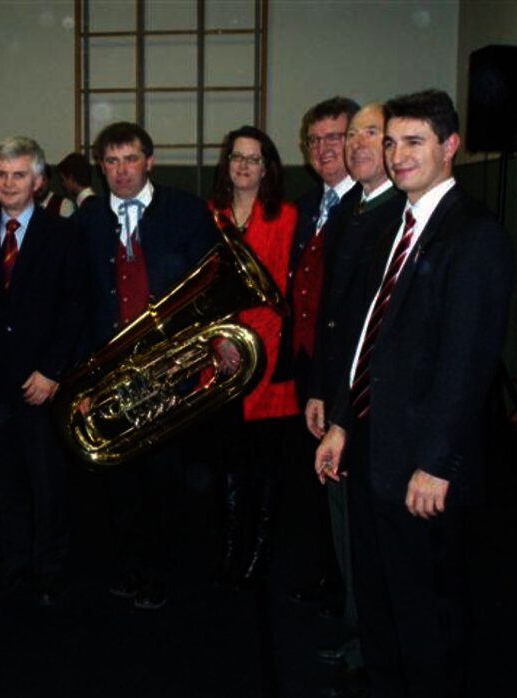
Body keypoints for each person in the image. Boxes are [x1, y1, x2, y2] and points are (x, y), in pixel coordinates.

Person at [315, 89, 513, 698]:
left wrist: (436, 464)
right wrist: (344, 424)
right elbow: (366, 340)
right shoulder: (390, 227)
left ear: (450, 147)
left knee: (428, 612)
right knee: (378, 601)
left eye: (415, 142)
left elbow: (467, 364)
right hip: (373, 445)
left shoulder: (473, 235)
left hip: (423, 462)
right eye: (392, 141)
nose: (398, 155)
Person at [74, 121, 220, 609]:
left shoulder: (186, 211)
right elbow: (79, 304)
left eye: (130, 159)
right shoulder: (88, 221)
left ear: (150, 161)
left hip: (170, 371)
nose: (120, 170)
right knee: (121, 483)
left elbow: (210, 289)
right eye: (111, 161)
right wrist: (88, 378)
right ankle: (131, 565)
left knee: (166, 479)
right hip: (111, 372)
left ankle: (165, 570)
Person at [0, 136, 85, 607]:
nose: (8, 184)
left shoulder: (63, 234)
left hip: (42, 385)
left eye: (17, 175)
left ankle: (49, 567)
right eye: (0, 175)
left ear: (38, 180)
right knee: (1, 481)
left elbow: (75, 307)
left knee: (46, 479)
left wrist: (52, 371)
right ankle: (12, 563)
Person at [304, 103, 406, 688]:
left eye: (374, 133)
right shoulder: (351, 209)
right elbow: (334, 316)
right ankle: (356, 635)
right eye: (359, 134)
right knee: (347, 529)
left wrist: (344, 408)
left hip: (372, 409)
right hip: (342, 398)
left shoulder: (400, 213)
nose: (362, 144)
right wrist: (321, 390)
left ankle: (369, 649)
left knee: (370, 537)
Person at [276, 96, 360, 608]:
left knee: (341, 479)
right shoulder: (306, 206)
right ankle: (323, 569)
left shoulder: (374, 204)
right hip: (305, 363)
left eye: (336, 137)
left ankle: (346, 582)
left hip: (346, 368)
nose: (325, 148)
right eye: (315, 140)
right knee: (309, 475)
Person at [206, 126, 298, 588]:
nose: (243, 165)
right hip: (220, 355)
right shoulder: (210, 214)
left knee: (265, 462)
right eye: (236, 157)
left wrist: (248, 340)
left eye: (253, 158)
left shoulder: (286, 216)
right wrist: (218, 342)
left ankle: (258, 552)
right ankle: (227, 545)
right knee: (227, 459)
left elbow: (282, 293)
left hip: (269, 356)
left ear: (267, 168)